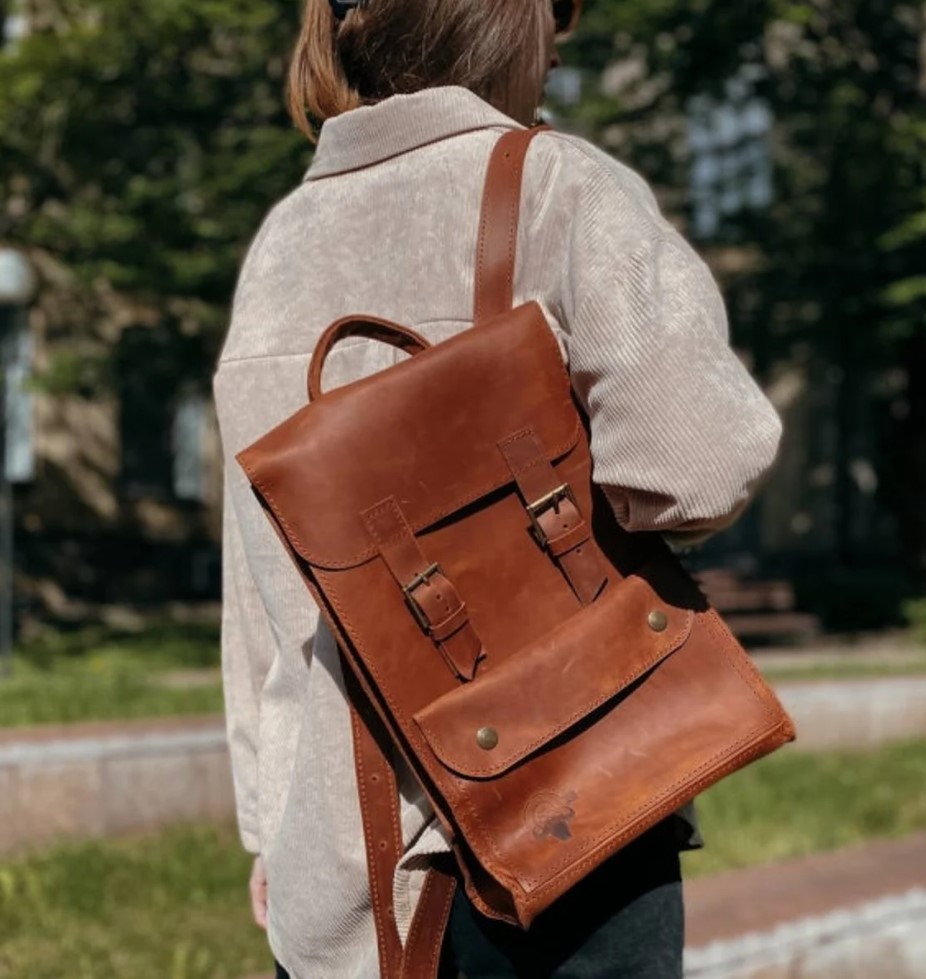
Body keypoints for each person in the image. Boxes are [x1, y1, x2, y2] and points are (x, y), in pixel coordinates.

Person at [213, 0, 784, 975]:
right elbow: (699, 464)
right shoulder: (555, 186)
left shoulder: (280, 246)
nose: (562, 37)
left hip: (345, 857)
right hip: (567, 803)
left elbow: (260, 586)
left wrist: (271, 826)